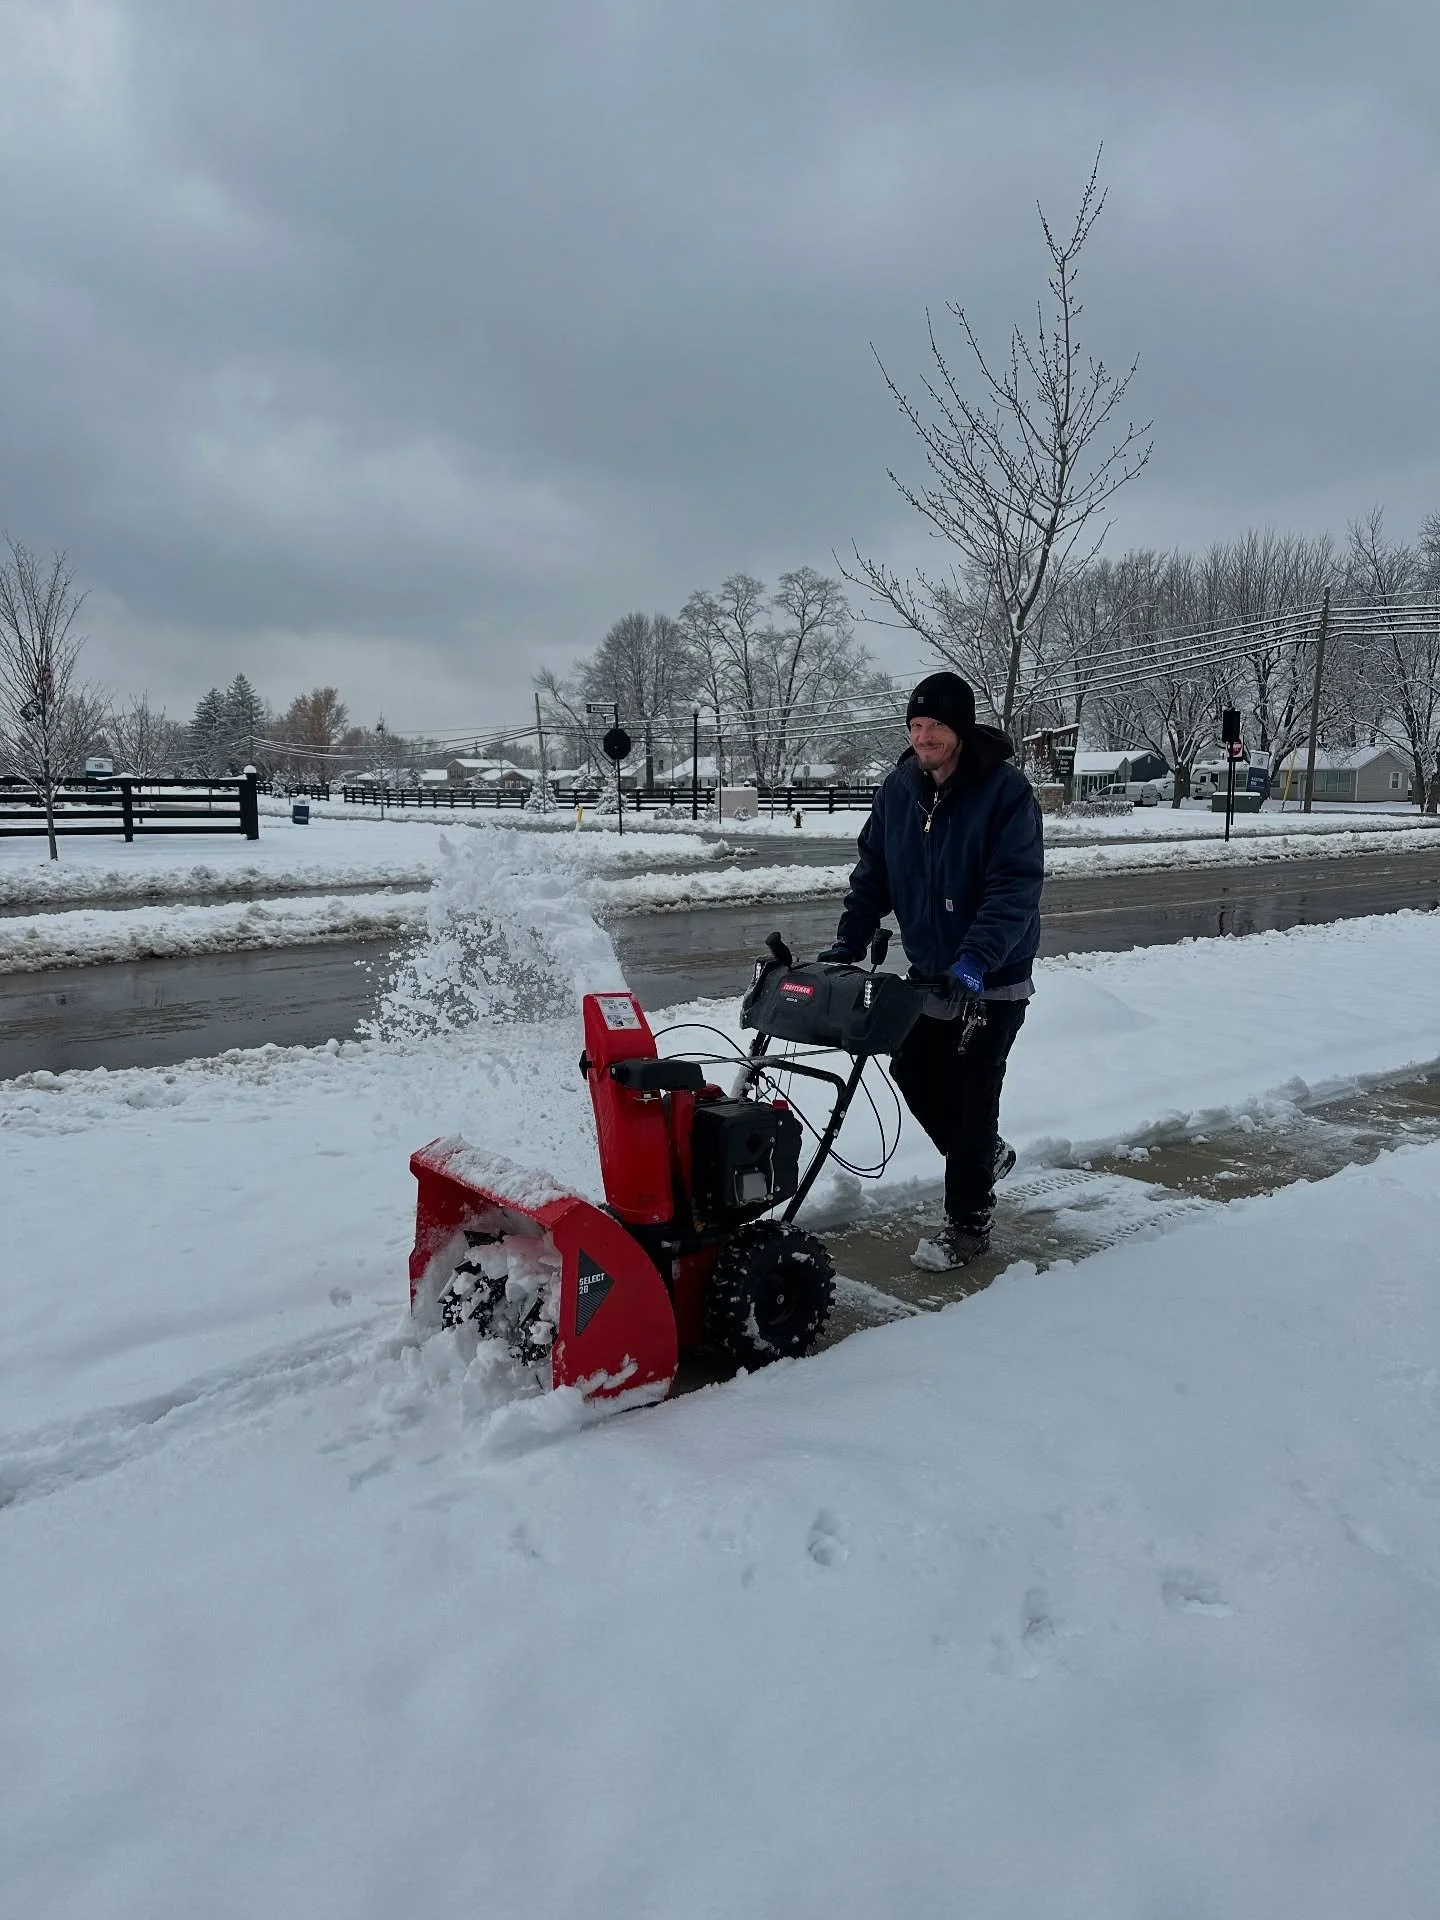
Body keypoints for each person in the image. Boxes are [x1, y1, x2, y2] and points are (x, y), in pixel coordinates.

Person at [819, 671, 1043, 1271]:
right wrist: (850, 936)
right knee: (914, 1067)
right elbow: (874, 872)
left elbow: (1013, 887)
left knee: (973, 1093)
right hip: (933, 972)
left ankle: (968, 1226)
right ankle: (980, 1158)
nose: (923, 737)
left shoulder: (1005, 793)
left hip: (992, 978)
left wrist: (976, 959)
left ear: (960, 729)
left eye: (936, 726)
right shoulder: (899, 790)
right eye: (916, 726)